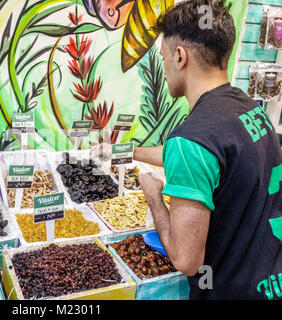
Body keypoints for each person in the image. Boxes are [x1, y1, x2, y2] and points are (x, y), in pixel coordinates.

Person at [93, 0, 281, 299]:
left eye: (164, 56)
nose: (164, 66)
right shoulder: (248, 109)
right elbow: (203, 157)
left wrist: (154, 196)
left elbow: (186, 260)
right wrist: (129, 151)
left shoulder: (193, 138)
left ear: (180, 57)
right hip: (270, 280)